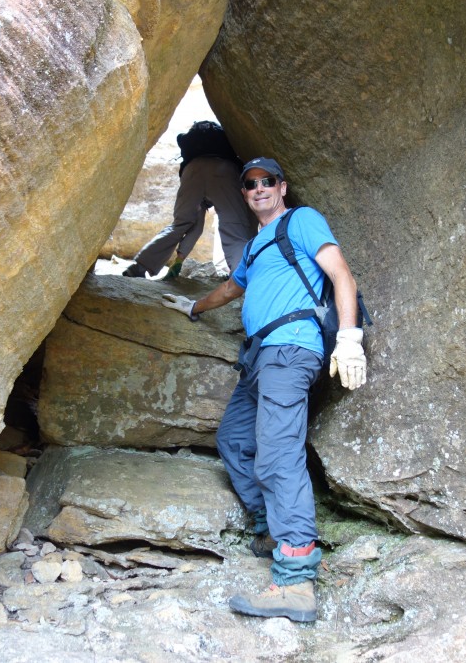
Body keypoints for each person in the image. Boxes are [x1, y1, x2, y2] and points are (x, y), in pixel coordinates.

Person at [161, 157, 367, 623]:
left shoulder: (302, 220)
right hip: (259, 358)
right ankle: (271, 529)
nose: (258, 189)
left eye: (266, 182)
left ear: (281, 186)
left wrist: (350, 339)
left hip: (291, 350)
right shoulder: (255, 247)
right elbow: (231, 290)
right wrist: (192, 306)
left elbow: (341, 274)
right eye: (250, 184)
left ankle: (295, 581)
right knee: (234, 438)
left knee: (277, 454)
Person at [123, 123, 258, 279]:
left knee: (180, 224)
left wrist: (179, 261)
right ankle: (241, 279)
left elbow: (195, 226)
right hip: (224, 169)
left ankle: (138, 268)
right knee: (234, 227)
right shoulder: (222, 151)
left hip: (192, 170)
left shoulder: (194, 157)